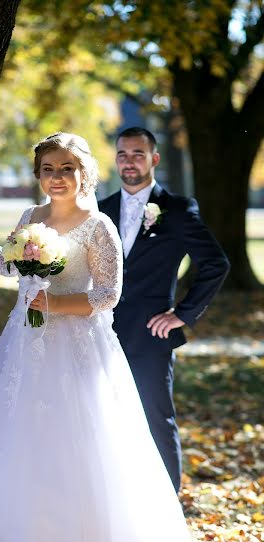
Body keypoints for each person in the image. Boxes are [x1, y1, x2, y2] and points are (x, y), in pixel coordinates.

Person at [0, 132, 192, 542]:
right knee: (18, 435)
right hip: (24, 342)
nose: (58, 178)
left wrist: (54, 305)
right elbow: (7, 264)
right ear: (38, 176)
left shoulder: (98, 226)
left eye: (67, 169)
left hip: (77, 346)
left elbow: (108, 294)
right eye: (49, 170)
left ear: (84, 174)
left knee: (79, 437)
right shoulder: (30, 217)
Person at [99, 127, 230, 494]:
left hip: (150, 336)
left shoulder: (177, 210)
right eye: (123, 154)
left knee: (157, 418)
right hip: (99, 333)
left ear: (154, 159)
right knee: (102, 419)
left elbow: (216, 264)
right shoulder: (100, 209)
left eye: (138, 154)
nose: (129, 162)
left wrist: (182, 314)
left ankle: (167, 506)